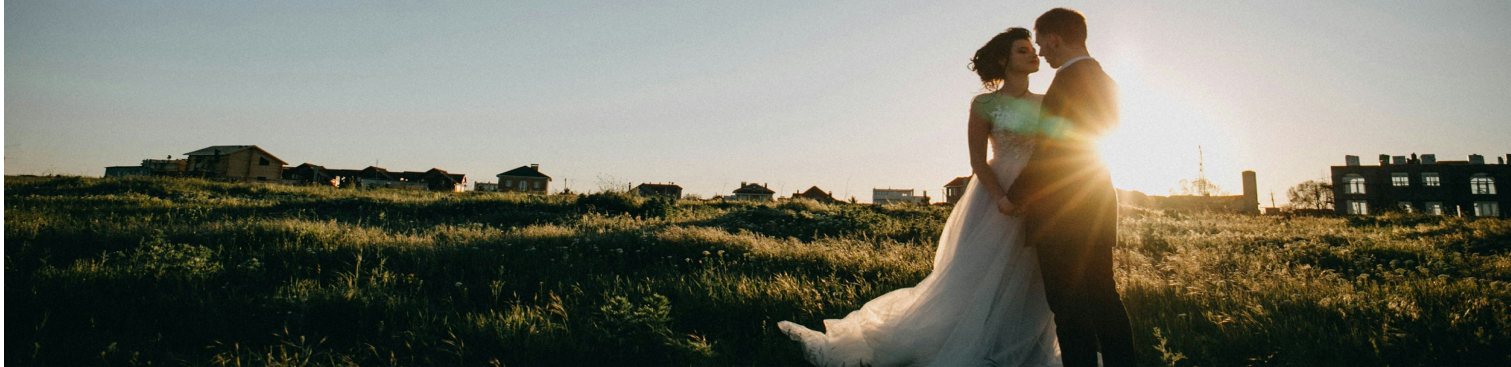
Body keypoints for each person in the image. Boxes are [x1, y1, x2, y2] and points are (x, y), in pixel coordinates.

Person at [776, 27, 1061, 366]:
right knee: (978, 277)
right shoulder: (985, 104)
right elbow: (977, 161)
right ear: (1004, 59)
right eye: (1022, 50)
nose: (1033, 54)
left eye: (1032, 49)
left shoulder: (1047, 104)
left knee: (1034, 276)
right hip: (993, 199)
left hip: (1037, 194)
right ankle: (974, 343)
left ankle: (1026, 349)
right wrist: (1000, 197)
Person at [1005, 8, 1135, 367]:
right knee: (1104, 299)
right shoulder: (1107, 81)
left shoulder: (1065, 83)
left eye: (1042, 44)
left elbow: (1053, 153)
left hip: (1063, 215)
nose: (1041, 53)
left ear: (1054, 39)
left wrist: (1015, 196)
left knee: (1069, 308)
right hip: (1097, 205)